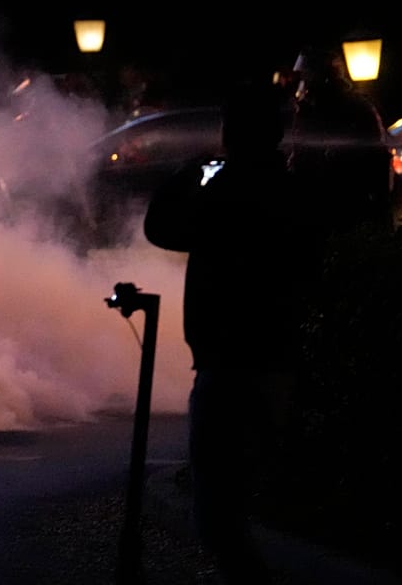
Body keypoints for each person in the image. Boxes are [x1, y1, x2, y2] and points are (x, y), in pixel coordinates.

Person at [143, 84, 315, 584]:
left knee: (217, 506)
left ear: (232, 134)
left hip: (229, 361)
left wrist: (189, 174)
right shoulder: (289, 189)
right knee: (252, 484)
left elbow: (163, 229)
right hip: (277, 357)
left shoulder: (226, 190)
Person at [286, 45, 392, 236]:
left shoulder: (356, 110)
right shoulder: (306, 112)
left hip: (347, 211)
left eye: (303, 76)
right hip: (313, 213)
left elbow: (378, 163)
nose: (299, 83)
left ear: (321, 76)